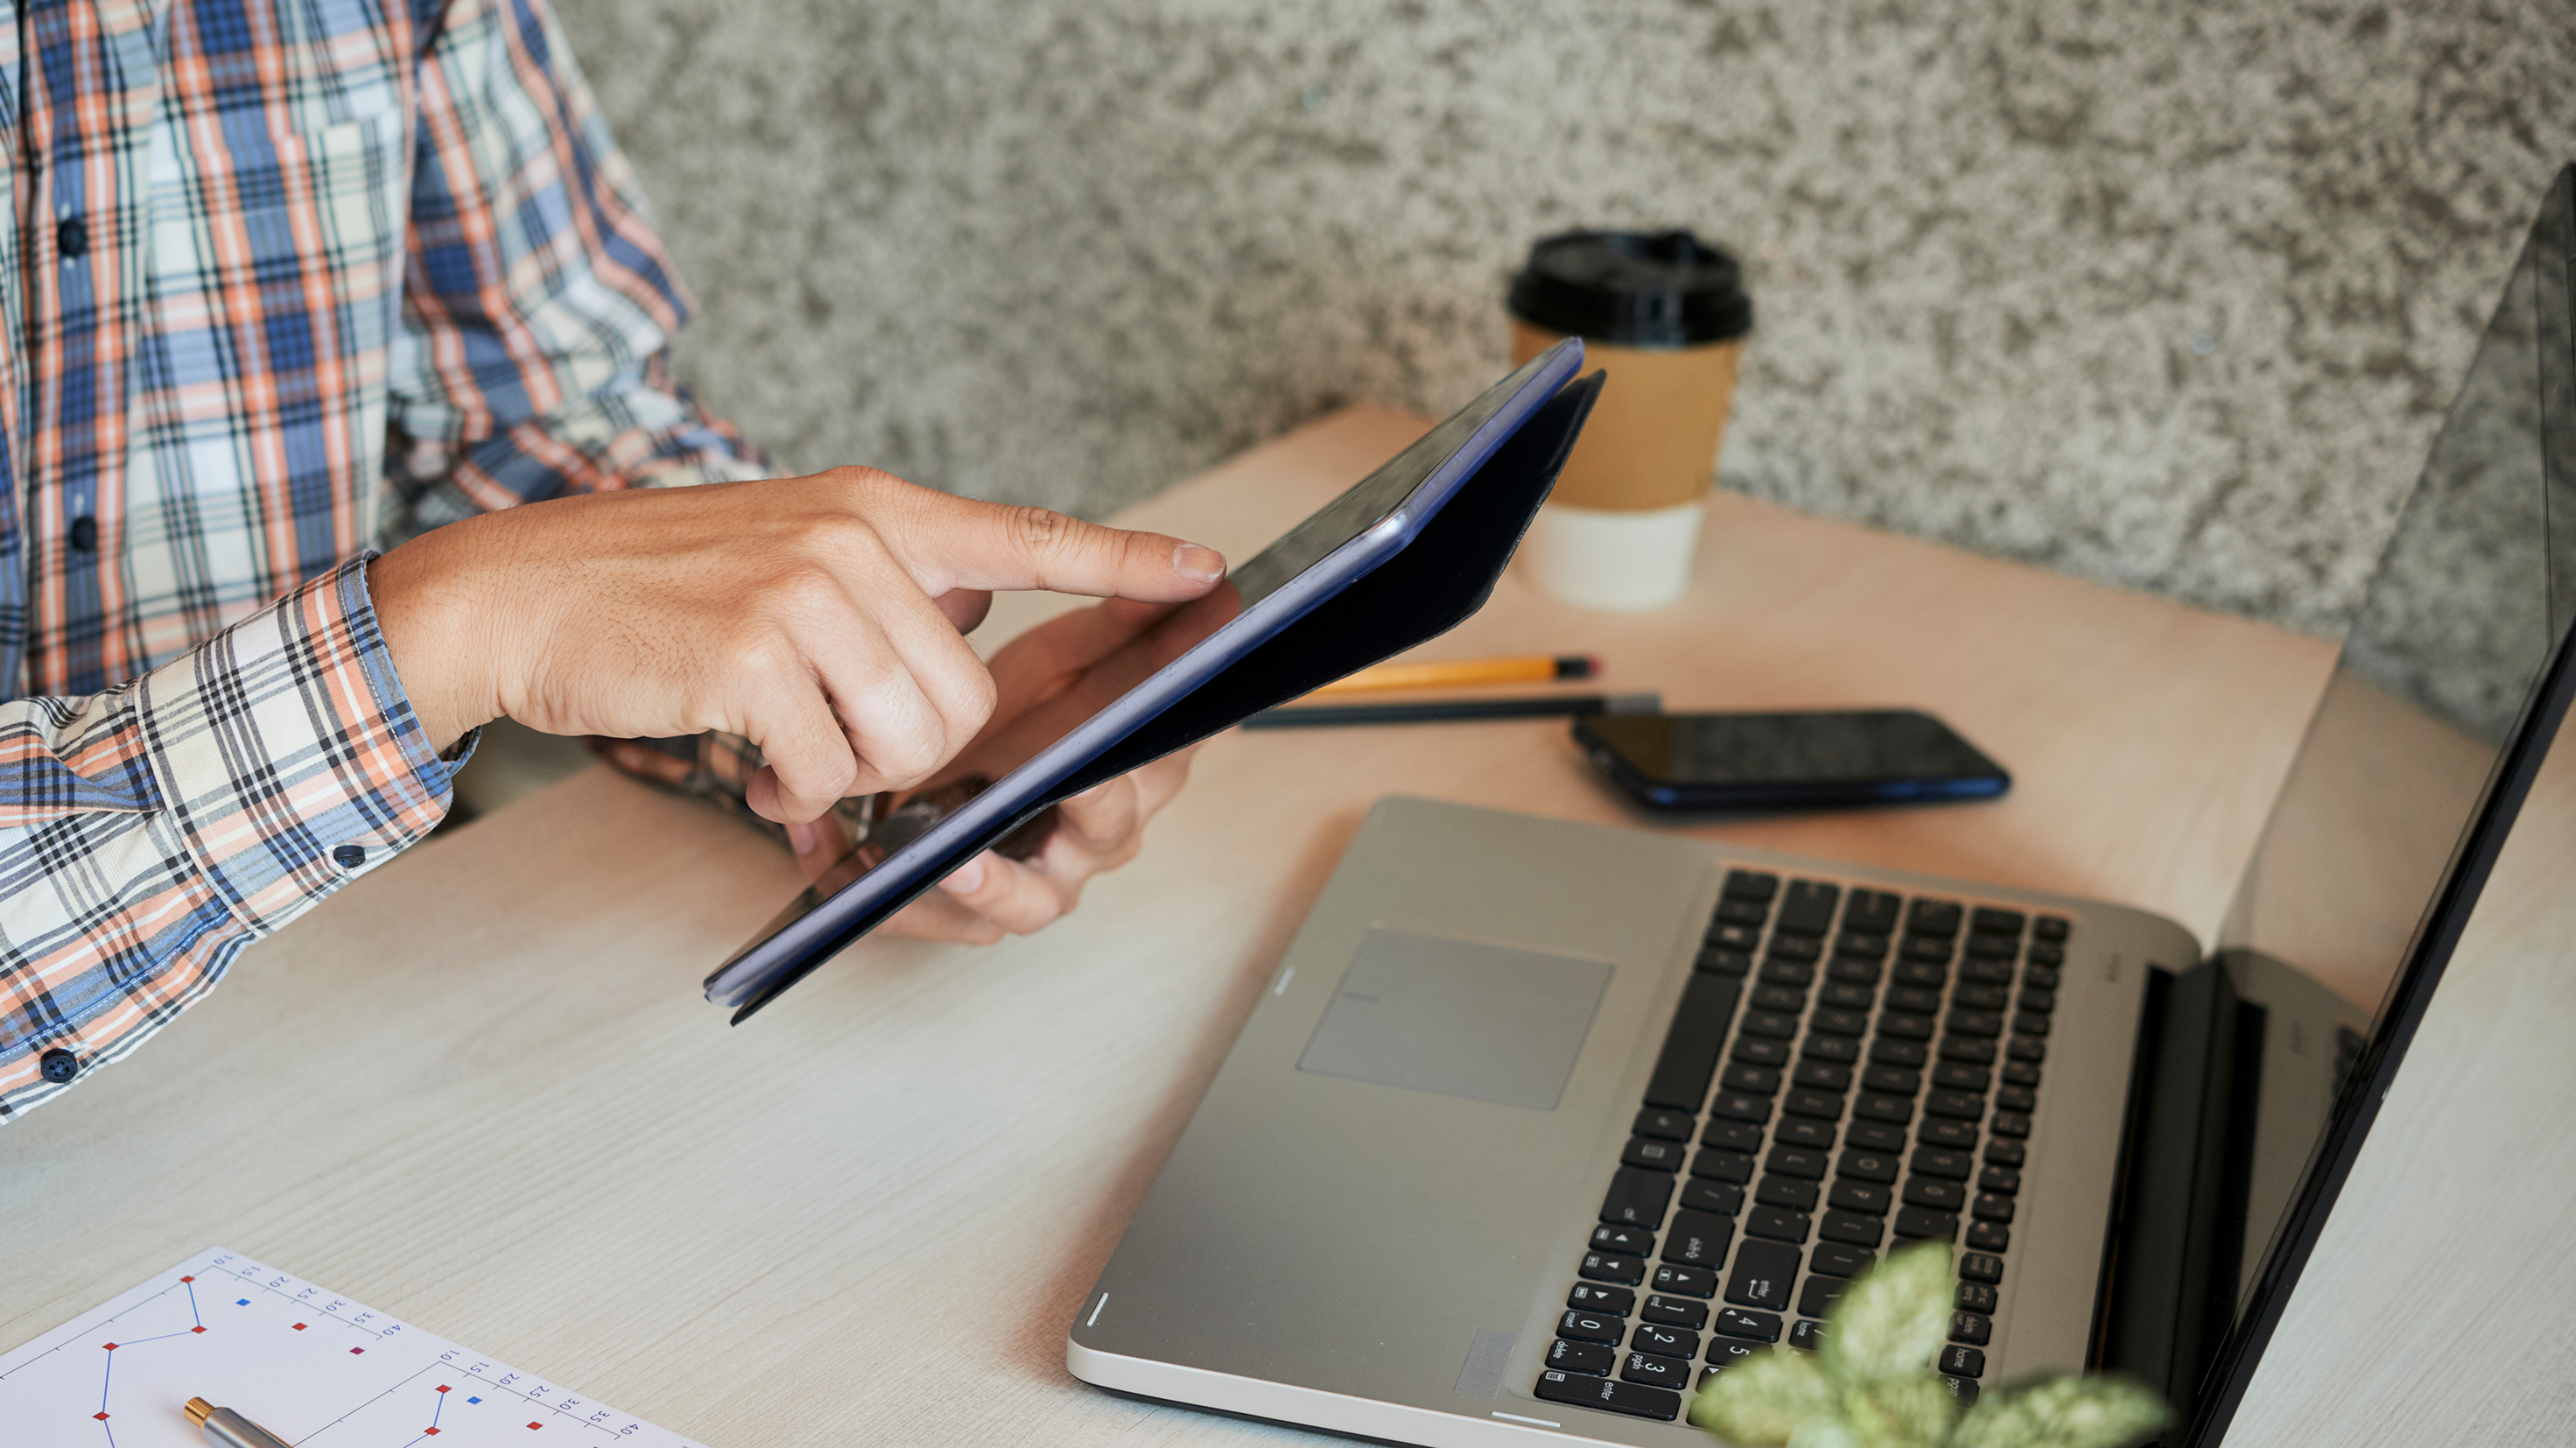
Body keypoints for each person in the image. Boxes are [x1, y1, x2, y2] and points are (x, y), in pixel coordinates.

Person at [0, 0, 1219, 1121]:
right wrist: (445, 636)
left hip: (312, 1043)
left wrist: (854, 715)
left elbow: (530, 425)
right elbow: (494, 602)